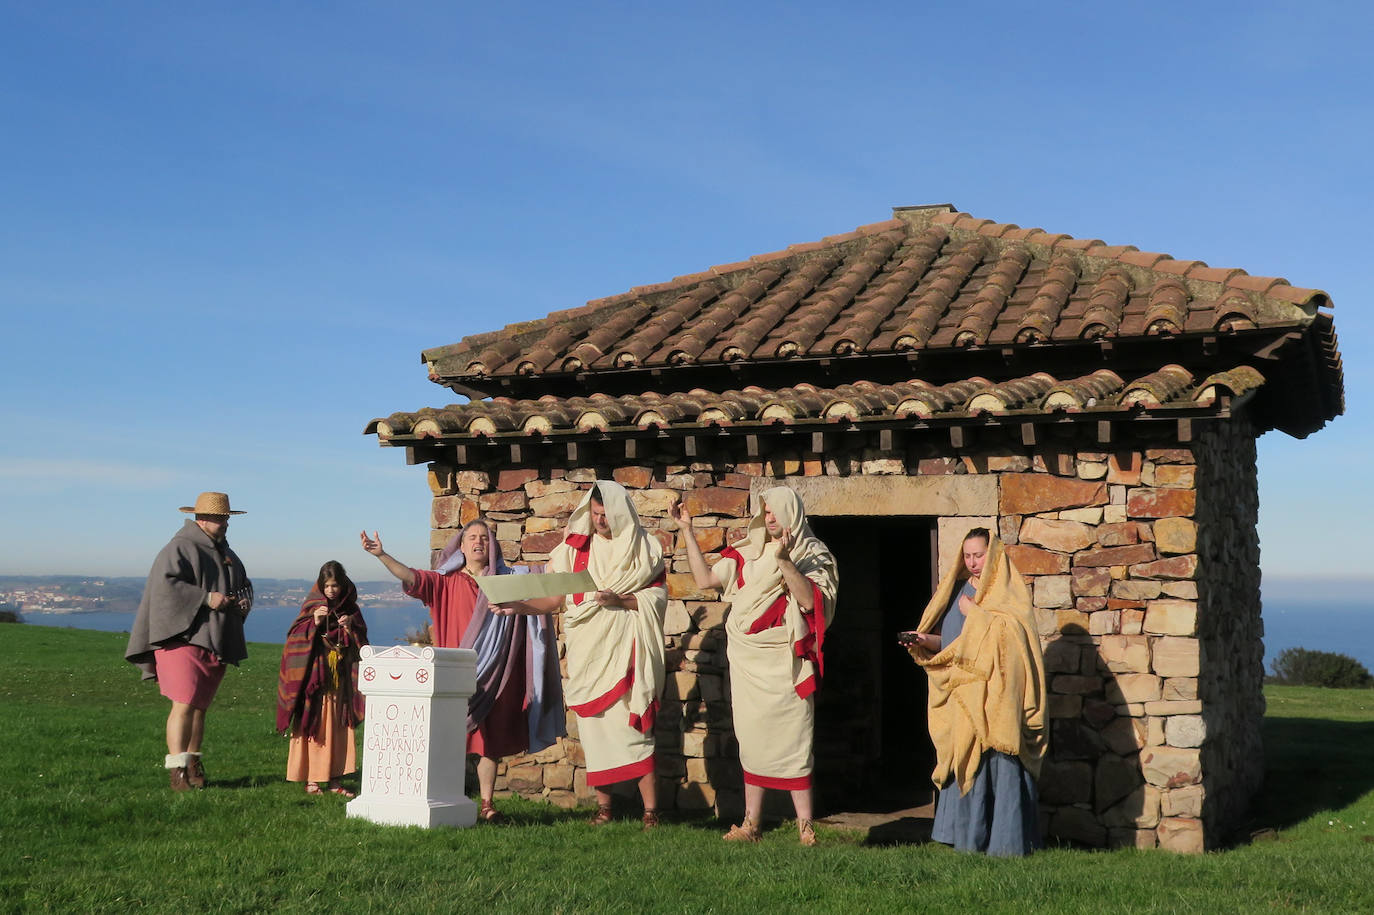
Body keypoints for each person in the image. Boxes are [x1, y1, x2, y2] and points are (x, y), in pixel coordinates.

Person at [359, 519, 564, 823]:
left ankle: (486, 804)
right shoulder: (445, 582)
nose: (478, 542)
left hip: (494, 672)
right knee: (447, 740)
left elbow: (548, 586)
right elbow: (412, 577)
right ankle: (445, 798)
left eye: (484, 537)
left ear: (492, 545)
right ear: (462, 545)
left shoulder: (507, 580)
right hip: (452, 677)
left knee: (488, 743)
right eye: (472, 538)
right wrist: (381, 555)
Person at [671, 487, 838, 847]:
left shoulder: (812, 553)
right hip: (749, 661)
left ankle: (805, 827)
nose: (770, 517)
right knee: (752, 739)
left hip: (785, 662)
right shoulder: (747, 552)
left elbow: (811, 604)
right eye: (765, 511)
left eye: (776, 510)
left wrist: (784, 560)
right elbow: (704, 581)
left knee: (795, 739)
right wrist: (686, 529)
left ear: (791, 512)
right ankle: (752, 824)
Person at [497, 482, 667, 829]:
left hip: (623, 650)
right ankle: (605, 809)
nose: (600, 521)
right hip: (587, 653)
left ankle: (651, 811)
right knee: (593, 733)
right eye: (596, 513)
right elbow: (555, 600)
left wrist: (619, 601)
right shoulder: (574, 550)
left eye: (606, 515)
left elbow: (657, 598)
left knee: (633, 732)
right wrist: (519, 607)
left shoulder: (641, 548)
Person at [904, 527, 1048, 857]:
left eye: (979, 555)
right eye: (967, 556)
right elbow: (957, 645)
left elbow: (1015, 640)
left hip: (995, 695)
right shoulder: (956, 591)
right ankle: (964, 837)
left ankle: (1004, 842)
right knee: (963, 758)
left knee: (996, 761)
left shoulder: (1006, 592)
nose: (972, 562)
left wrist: (977, 614)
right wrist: (925, 641)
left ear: (993, 554)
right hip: (964, 694)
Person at [125, 491, 252, 791]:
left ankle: (193, 760)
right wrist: (207, 598)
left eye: (226, 518)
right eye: (220, 519)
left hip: (213, 639)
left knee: (199, 706)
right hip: (180, 639)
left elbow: (242, 584)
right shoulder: (179, 547)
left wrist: (241, 601)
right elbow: (165, 585)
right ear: (202, 518)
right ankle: (177, 769)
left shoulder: (226, 553)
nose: (225, 524)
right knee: (183, 703)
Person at [276, 560, 368, 797]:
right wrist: (314, 623)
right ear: (320, 585)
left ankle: (335, 780)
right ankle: (312, 779)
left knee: (338, 727)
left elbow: (362, 646)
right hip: (315, 683)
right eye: (326, 586)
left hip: (341, 681)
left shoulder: (352, 610)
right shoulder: (311, 607)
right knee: (315, 726)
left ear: (342, 584)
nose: (331, 591)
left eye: (335, 585)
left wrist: (350, 628)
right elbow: (293, 640)